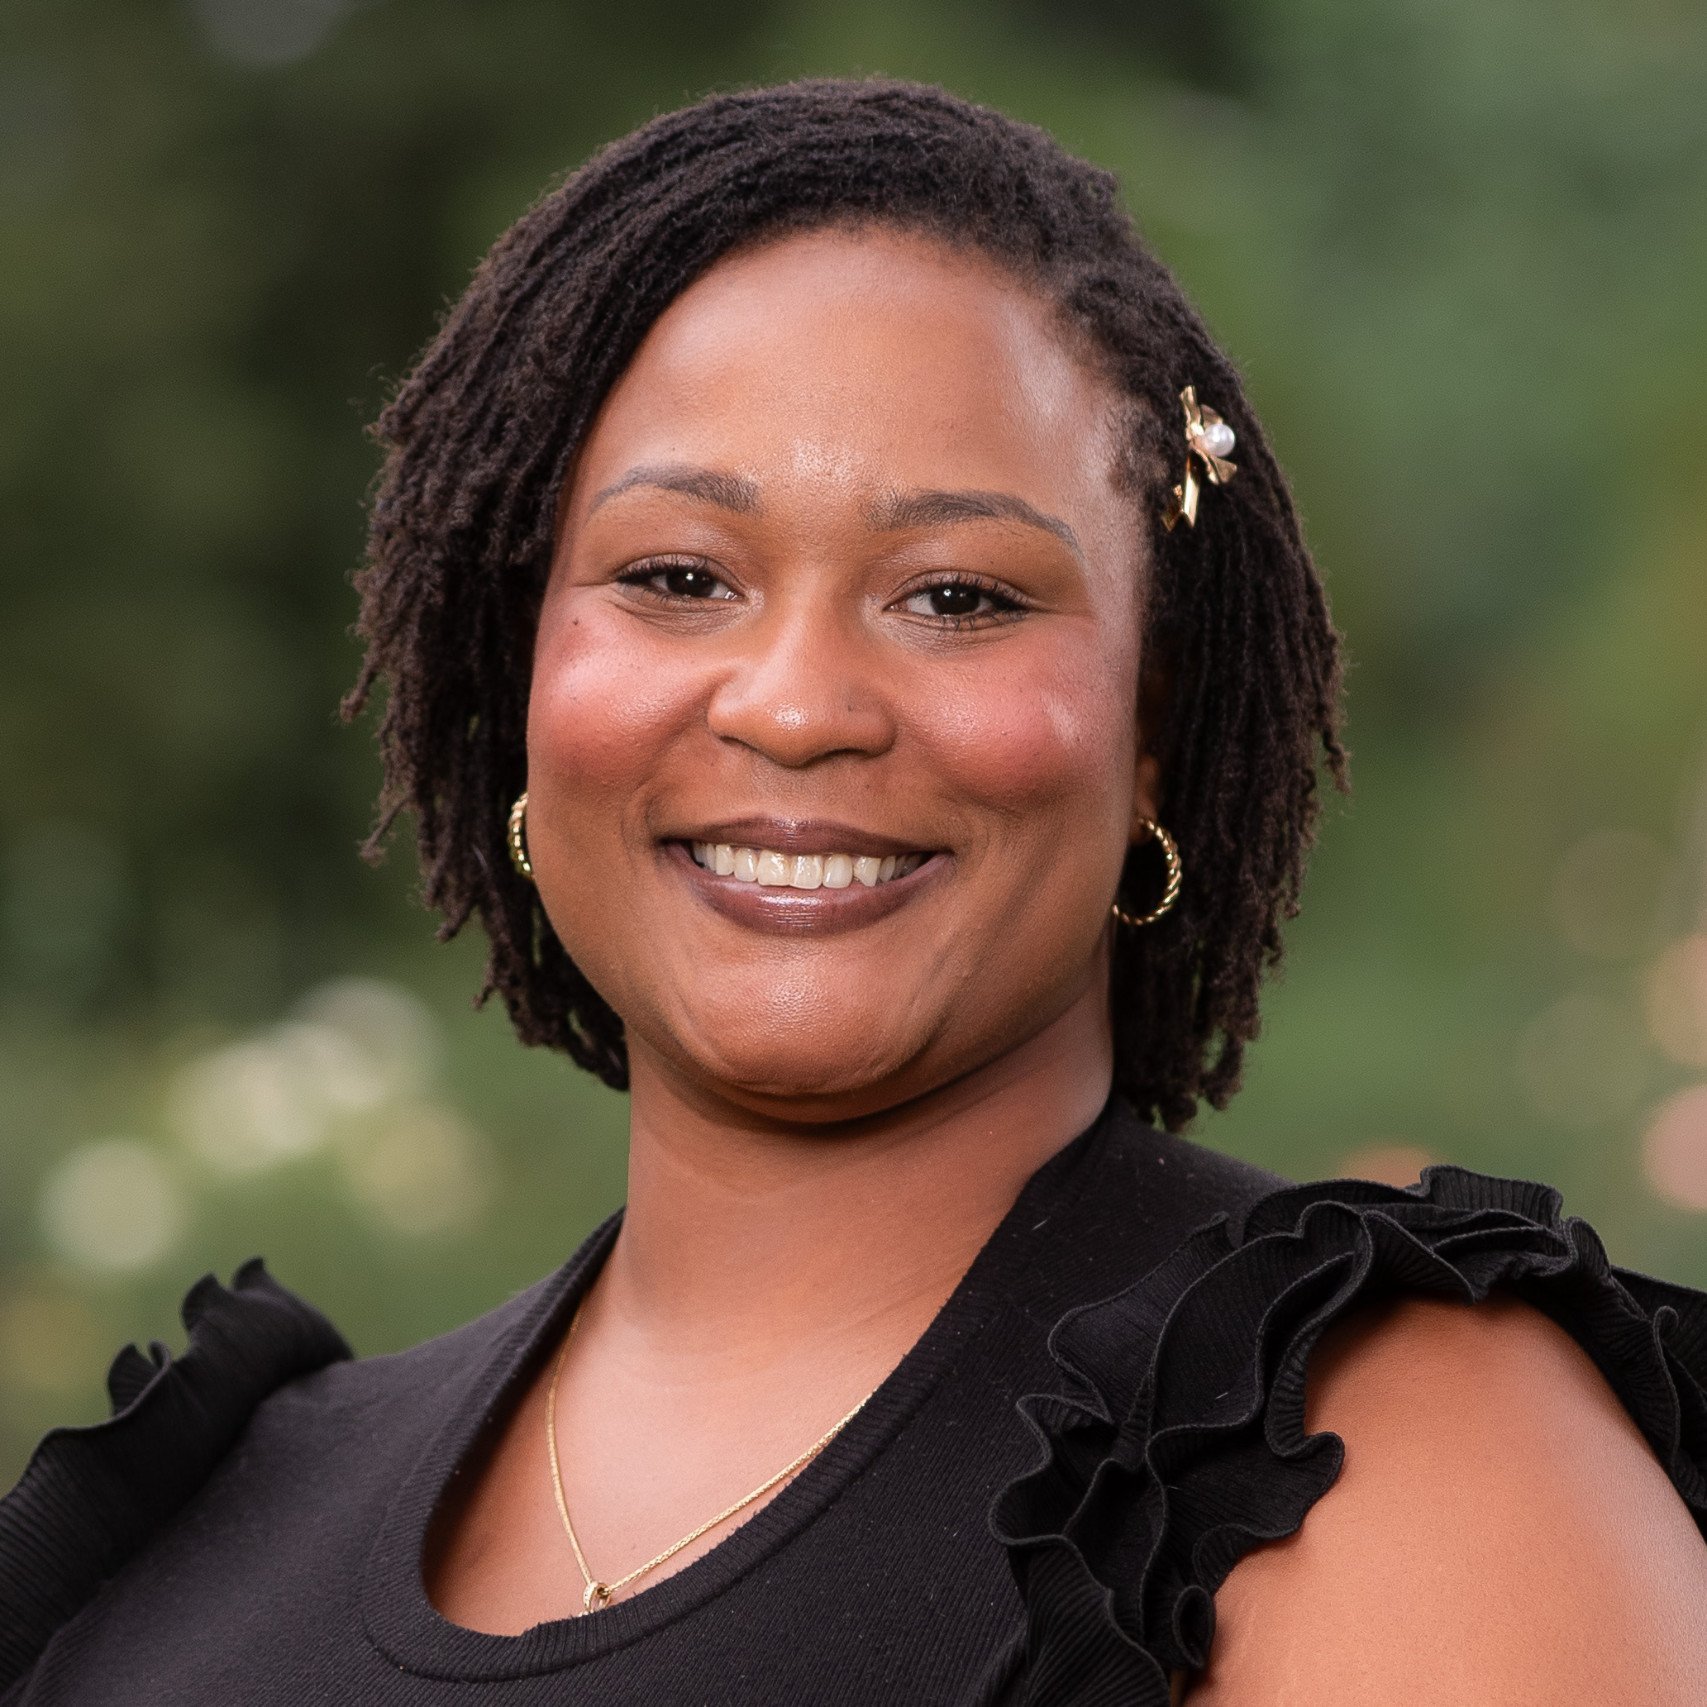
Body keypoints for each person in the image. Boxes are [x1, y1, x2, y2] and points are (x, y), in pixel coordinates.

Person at [3, 77, 1704, 1707]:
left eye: (959, 596)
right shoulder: (201, 1530)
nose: (799, 706)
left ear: (1154, 734)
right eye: (677, 577)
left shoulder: (1367, 1458)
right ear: (516, 677)